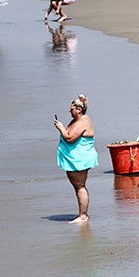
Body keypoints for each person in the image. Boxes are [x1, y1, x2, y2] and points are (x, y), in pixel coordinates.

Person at [54, 94, 97, 224]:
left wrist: (61, 128)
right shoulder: (79, 119)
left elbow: (69, 138)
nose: (70, 111)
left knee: (80, 186)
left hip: (79, 160)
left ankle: (83, 215)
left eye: (72, 109)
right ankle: (82, 214)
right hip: (76, 158)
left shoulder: (82, 122)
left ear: (79, 109)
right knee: (78, 186)